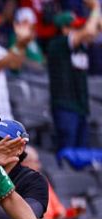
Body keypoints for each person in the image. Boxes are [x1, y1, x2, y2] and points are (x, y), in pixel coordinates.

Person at [47, 0, 101, 152]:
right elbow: (89, 31)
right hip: (65, 107)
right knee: (67, 154)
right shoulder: (58, 44)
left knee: (81, 156)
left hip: (80, 107)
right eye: (75, 27)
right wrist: (96, 7)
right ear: (64, 29)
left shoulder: (80, 45)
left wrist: (96, 12)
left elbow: (96, 29)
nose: (81, 30)